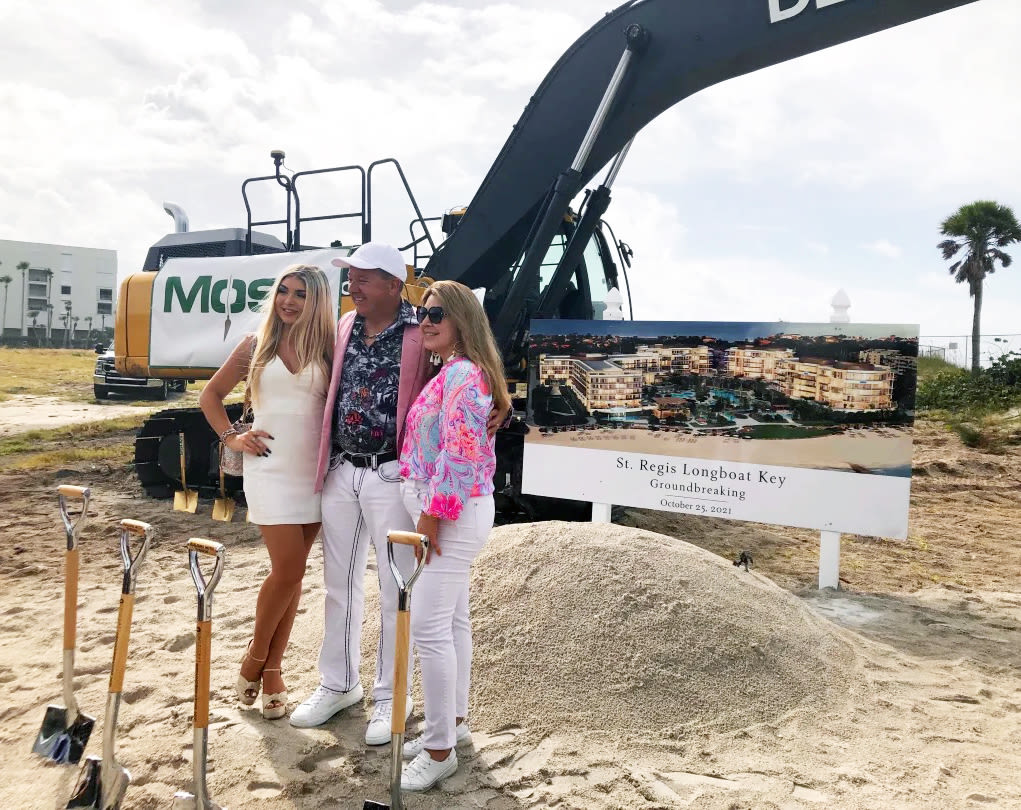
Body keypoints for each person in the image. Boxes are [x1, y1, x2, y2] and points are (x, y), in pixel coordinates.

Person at [290, 242, 509, 747]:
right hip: (343, 468)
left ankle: (391, 697)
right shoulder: (344, 327)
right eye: (351, 278)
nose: (354, 287)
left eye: (365, 278)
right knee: (338, 584)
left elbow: (474, 385)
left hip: (394, 476)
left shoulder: (424, 330)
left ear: (393, 284)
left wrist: (502, 403)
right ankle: (338, 683)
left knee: (396, 590)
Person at [199, 263, 335, 719]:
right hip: (269, 468)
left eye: (300, 294)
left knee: (293, 576)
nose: (289, 301)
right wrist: (232, 438)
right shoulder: (256, 346)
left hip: (314, 472)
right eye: (283, 291)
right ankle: (256, 657)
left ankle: (273, 670)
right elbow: (210, 397)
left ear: (316, 301)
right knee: (289, 567)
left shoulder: (330, 347)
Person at [396, 280, 510, 792]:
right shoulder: (459, 372)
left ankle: (439, 748)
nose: (426, 321)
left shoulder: (465, 373)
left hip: (451, 513)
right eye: (422, 313)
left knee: (428, 629)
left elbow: (460, 455)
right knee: (452, 622)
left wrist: (432, 516)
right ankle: (455, 727)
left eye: (437, 313)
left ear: (462, 318)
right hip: (453, 509)